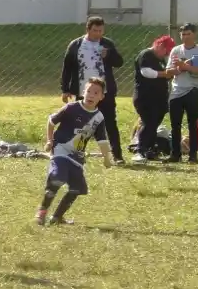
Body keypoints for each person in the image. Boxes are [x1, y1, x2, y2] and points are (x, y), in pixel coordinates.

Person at [36, 77, 113, 226]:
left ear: (101, 97)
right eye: (88, 91)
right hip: (60, 149)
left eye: (96, 93)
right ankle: (42, 212)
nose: (91, 95)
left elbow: (102, 140)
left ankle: (57, 217)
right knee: (57, 178)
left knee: (78, 188)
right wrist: (49, 141)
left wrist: (107, 158)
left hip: (77, 156)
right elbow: (51, 121)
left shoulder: (99, 117)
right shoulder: (71, 108)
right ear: (83, 92)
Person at [60, 16, 125, 164]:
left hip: (104, 92)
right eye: (95, 30)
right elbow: (67, 68)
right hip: (84, 92)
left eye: (101, 30)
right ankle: (77, 153)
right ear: (88, 29)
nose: (98, 34)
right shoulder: (76, 45)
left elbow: (119, 62)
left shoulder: (107, 44)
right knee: (83, 124)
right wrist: (65, 89)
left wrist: (109, 55)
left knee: (110, 122)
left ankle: (117, 155)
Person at [166, 23, 198, 164]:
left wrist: (187, 67)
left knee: (192, 123)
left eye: (188, 34)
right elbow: (168, 71)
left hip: (192, 90)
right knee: (175, 124)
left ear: (194, 34)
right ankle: (175, 154)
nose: (185, 37)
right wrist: (178, 69)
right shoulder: (175, 50)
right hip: (176, 91)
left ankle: (193, 155)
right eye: (183, 34)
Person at [131, 35, 176, 163]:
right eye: (166, 51)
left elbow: (164, 75)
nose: (166, 55)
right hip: (146, 97)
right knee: (148, 122)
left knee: (154, 124)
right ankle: (140, 150)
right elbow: (146, 72)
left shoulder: (160, 60)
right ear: (159, 45)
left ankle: (149, 150)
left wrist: (172, 74)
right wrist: (164, 74)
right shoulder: (146, 55)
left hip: (159, 99)